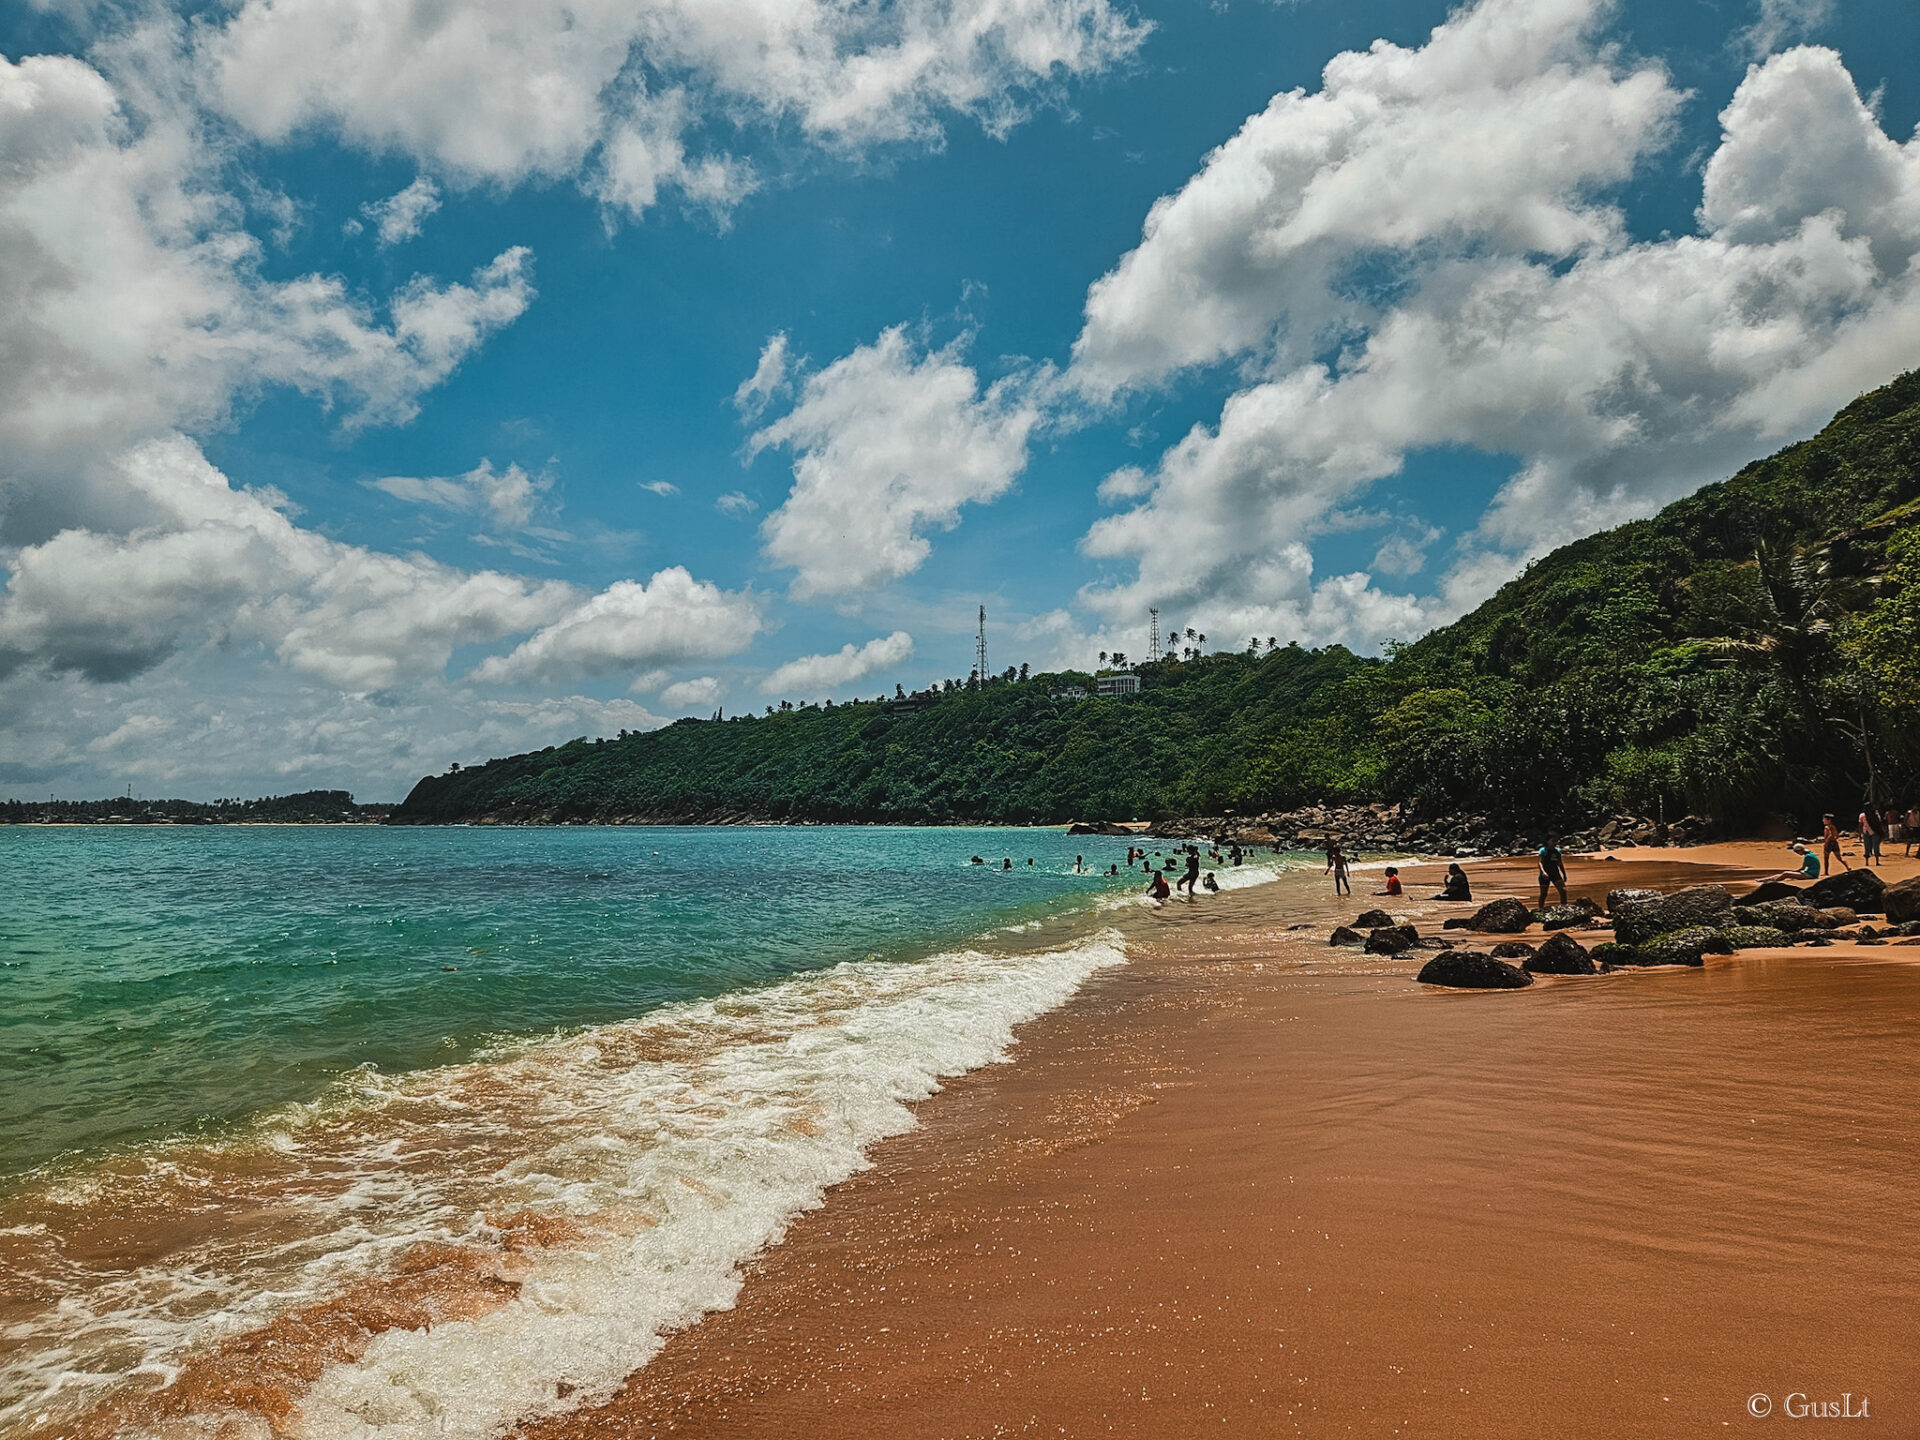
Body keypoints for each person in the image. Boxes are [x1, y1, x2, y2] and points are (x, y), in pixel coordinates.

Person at [1537, 837, 1568, 908]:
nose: (1555, 843)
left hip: (1555, 873)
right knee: (1544, 894)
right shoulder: (1543, 850)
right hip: (1545, 874)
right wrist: (1543, 872)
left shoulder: (1557, 851)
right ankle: (1540, 909)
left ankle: (1564, 908)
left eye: (1556, 841)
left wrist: (1564, 874)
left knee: (1563, 891)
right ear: (1548, 841)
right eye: (1553, 841)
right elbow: (1540, 863)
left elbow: (1560, 863)